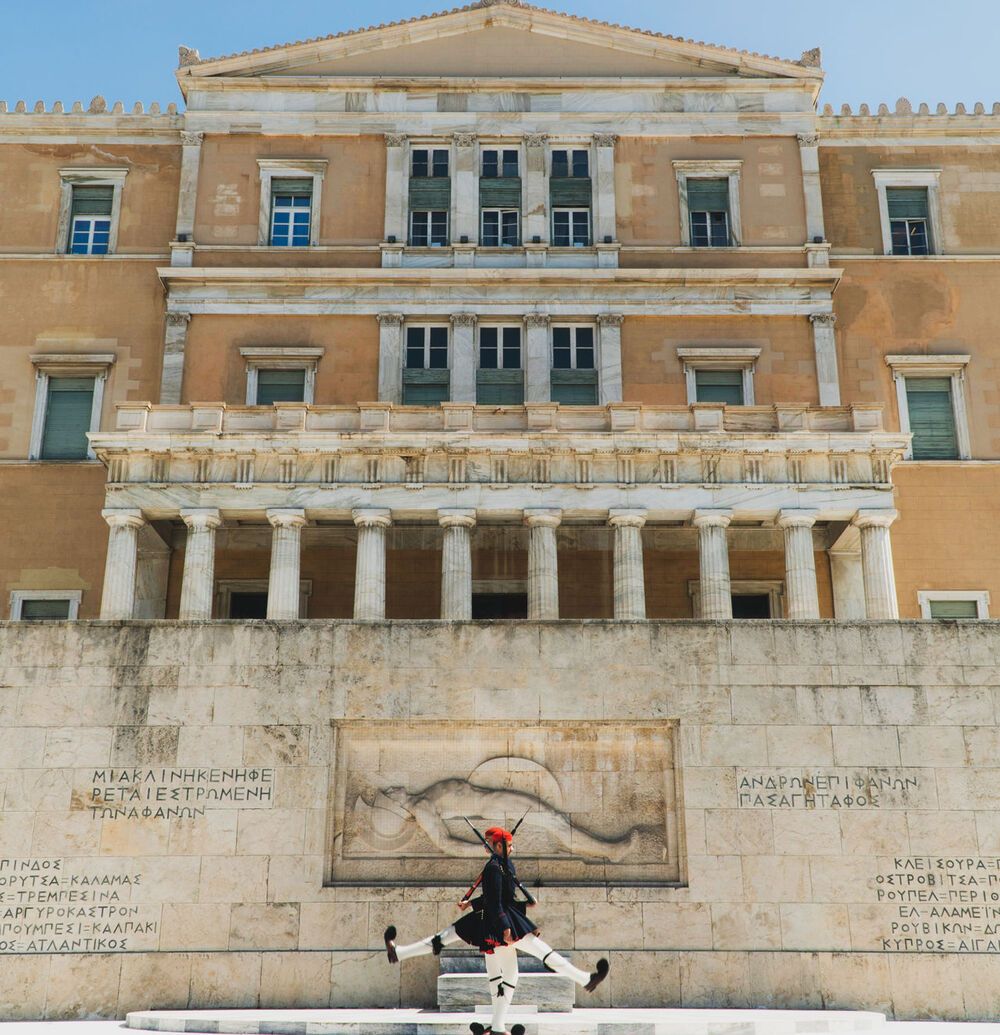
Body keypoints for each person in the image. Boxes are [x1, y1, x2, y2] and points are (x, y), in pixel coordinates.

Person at [384, 825, 609, 1035]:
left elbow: (500, 897)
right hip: (499, 923)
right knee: (541, 953)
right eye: (509, 845)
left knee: (498, 968)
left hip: (499, 919)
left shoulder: (504, 865)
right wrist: (505, 927)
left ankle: (498, 1026)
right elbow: (493, 901)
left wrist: (519, 905)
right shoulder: (493, 867)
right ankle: (584, 979)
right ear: (499, 846)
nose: (513, 848)